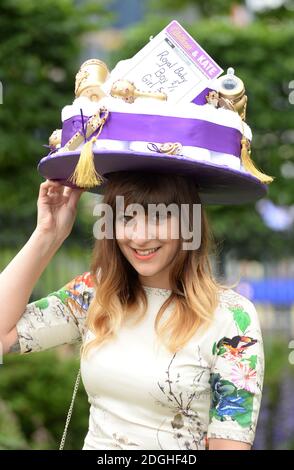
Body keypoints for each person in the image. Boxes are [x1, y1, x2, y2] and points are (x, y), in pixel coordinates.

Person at [0, 170, 264, 451]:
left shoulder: (233, 318)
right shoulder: (95, 293)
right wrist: (48, 235)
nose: (139, 237)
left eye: (159, 217)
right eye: (126, 218)